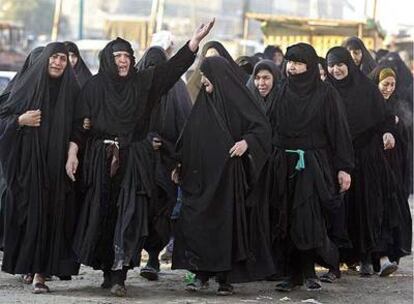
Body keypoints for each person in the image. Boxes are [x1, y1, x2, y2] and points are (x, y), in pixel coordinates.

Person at [67, 20, 214, 297]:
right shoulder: (94, 87)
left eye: (127, 56)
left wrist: (193, 43)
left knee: (129, 214)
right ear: (108, 60)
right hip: (100, 162)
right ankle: (107, 270)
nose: (123, 61)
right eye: (117, 57)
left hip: (133, 160)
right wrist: (73, 152)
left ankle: (120, 274)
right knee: (102, 215)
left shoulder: (143, 83)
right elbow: (79, 125)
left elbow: (171, 71)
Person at [172, 56, 274, 296]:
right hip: (201, 178)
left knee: (226, 227)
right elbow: (188, 138)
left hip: (228, 178)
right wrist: (178, 164)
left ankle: (225, 278)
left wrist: (246, 143)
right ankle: (200, 274)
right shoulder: (203, 103)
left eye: (207, 75)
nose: (203, 80)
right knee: (198, 224)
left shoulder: (239, 101)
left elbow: (261, 128)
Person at [269, 43, 354, 292]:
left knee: (308, 218)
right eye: (290, 62)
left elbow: (339, 133)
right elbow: (270, 125)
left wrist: (344, 168)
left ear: (309, 66)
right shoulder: (282, 92)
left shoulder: (326, 94)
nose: (292, 67)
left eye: (297, 62)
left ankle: (308, 272)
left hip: (313, 164)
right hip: (284, 163)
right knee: (286, 217)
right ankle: (292, 274)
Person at [0, 43, 80, 293]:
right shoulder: (24, 88)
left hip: (57, 166)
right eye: (53, 58)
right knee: (29, 214)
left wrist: (72, 152)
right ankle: (28, 265)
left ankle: (40, 274)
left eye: (62, 59)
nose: (57, 63)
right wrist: (19, 121)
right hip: (26, 166)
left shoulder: (72, 90)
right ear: (44, 60)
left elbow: (79, 125)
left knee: (50, 215)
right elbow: (2, 118)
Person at [326, 46, 411, 278]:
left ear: (349, 65)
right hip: (335, 157)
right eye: (331, 65)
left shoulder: (365, 89)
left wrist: (388, 132)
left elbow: (384, 117)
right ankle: (339, 260)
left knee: (366, 206)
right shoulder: (325, 91)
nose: (336, 69)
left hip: (365, 156)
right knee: (341, 209)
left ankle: (366, 257)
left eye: (340, 64)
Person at [135, 46, 193, 281]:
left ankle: (153, 256)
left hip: (166, 165)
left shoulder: (177, 88)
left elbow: (185, 128)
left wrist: (170, 150)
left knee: (162, 212)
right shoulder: (135, 87)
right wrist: (145, 141)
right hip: (138, 164)